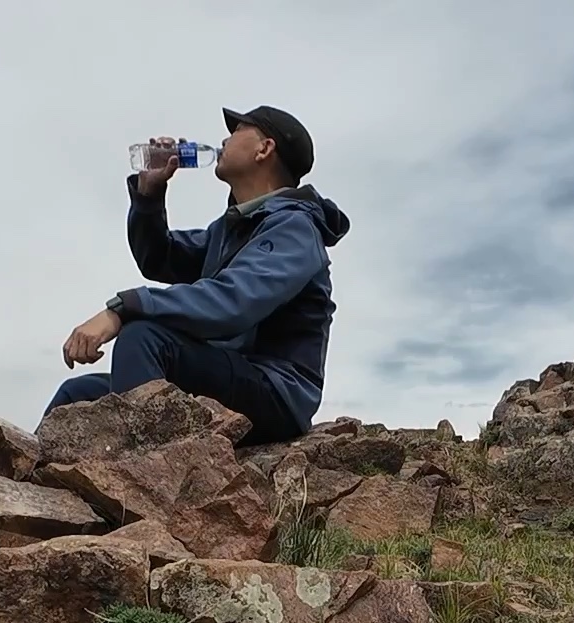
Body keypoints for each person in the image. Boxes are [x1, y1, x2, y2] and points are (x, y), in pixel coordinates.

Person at [46, 106, 351, 445]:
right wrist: (149, 196)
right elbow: (160, 258)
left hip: (275, 392)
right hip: (227, 373)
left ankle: (143, 478)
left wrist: (121, 309)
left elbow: (231, 302)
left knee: (143, 336)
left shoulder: (294, 229)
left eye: (236, 132)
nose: (224, 139)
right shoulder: (229, 229)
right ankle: (29, 482)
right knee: (79, 393)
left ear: (264, 149)